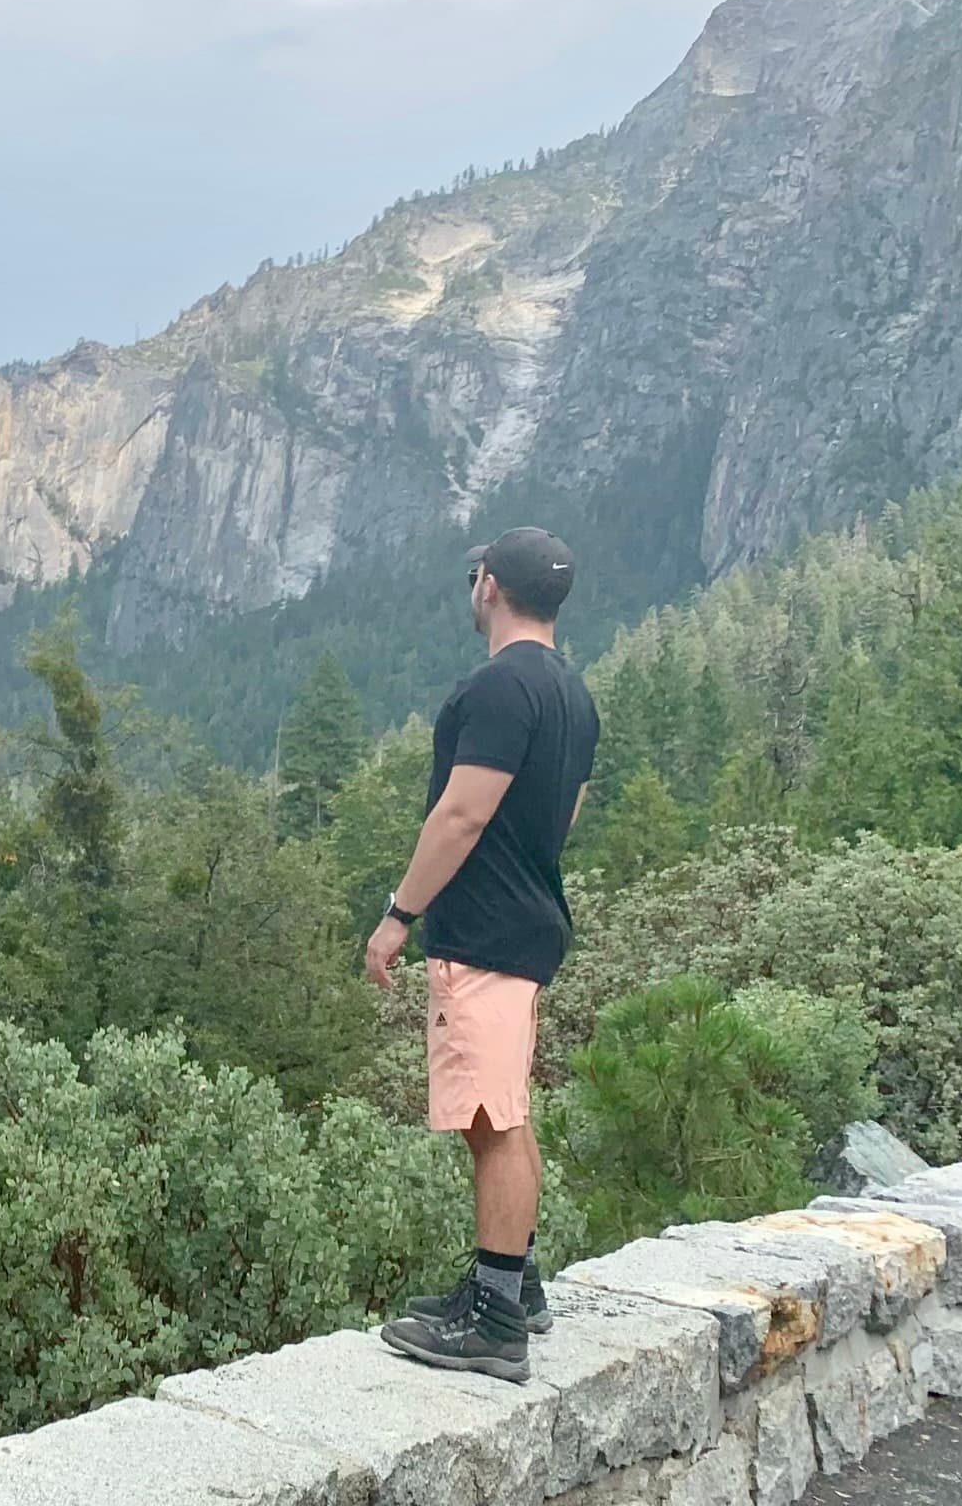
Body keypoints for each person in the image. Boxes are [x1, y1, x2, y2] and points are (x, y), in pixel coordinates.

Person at [365, 526, 598, 1384]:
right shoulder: (573, 694)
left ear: (489, 587)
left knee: (491, 1122)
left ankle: (495, 1323)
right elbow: (562, 817)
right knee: (503, 1110)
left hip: (485, 933)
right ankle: (515, 1283)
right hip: (532, 921)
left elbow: (459, 816)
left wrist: (399, 915)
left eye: (474, 576)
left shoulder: (499, 687)